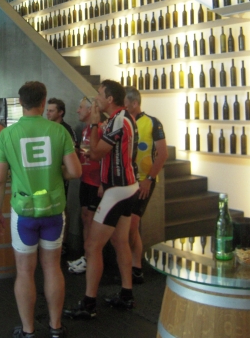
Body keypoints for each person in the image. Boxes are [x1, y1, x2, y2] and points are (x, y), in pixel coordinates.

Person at [0, 81, 82, 338]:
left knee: (24, 271)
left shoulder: (7, 135)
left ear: (21, 102)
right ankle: (56, 327)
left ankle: (28, 330)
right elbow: (75, 171)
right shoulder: (59, 131)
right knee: (52, 268)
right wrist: (57, 172)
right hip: (54, 211)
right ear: (43, 103)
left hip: (24, 214)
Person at [64, 80, 138, 320]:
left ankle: (89, 304)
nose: (96, 98)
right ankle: (126, 294)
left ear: (110, 99)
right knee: (120, 242)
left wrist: (95, 123)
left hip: (117, 190)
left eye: (99, 94)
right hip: (127, 187)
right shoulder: (125, 118)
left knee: (92, 246)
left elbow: (95, 153)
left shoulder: (117, 120)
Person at [124, 86, 168, 284]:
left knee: (132, 225)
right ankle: (134, 267)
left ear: (134, 103)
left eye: (125, 102)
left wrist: (149, 180)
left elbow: (163, 154)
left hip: (143, 181)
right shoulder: (122, 121)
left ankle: (134, 267)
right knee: (128, 226)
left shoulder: (152, 122)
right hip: (125, 181)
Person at [67, 97, 101, 275]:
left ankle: (92, 258)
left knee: (92, 222)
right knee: (85, 218)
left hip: (96, 183)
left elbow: (105, 156)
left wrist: (103, 183)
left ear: (90, 110)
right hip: (85, 180)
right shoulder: (86, 129)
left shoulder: (99, 128)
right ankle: (87, 257)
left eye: (81, 107)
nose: (78, 111)